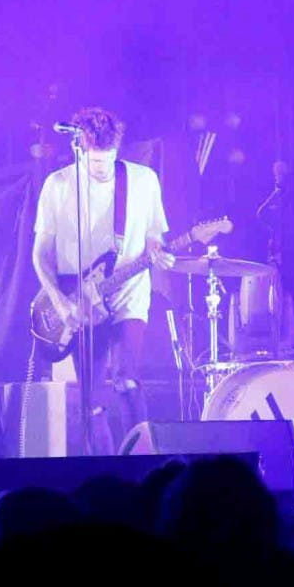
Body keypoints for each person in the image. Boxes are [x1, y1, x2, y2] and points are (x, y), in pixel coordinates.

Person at [32, 106, 174, 455]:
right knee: (91, 401)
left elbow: (155, 234)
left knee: (127, 380)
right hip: (77, 299)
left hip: (128, 292)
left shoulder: (143, 180)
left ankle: (143, 465)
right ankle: (106, 473)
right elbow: (40, 255)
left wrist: (156, 251)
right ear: (78, 148)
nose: (103, 170)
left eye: (108, 161)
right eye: (95, 163)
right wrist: (61, 303)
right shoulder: (58, 185)